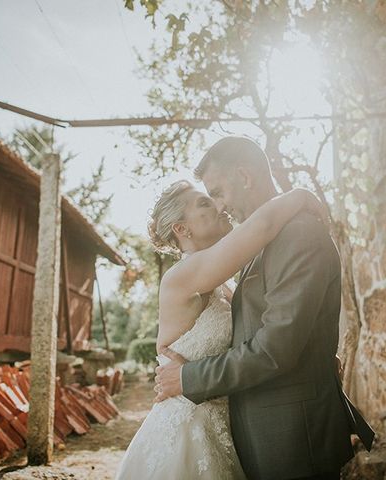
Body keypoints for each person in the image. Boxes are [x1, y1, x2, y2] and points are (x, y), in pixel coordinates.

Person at [154, 136, 374, 480]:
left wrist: (190, 376)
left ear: (244, 176)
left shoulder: (299, 234)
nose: (219, 206)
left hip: (291, 437)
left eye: (218, 192)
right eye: (208, 200)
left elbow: (275, 348)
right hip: (250, 431)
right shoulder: (249, 247)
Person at [115, 177, 328, 480]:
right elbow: (263, 227)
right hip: (188, 429)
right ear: (182, 229)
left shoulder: (221, 283)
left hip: (225, 424)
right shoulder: (182, 276)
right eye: (204, 203)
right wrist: (300, 195)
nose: (218, 206)